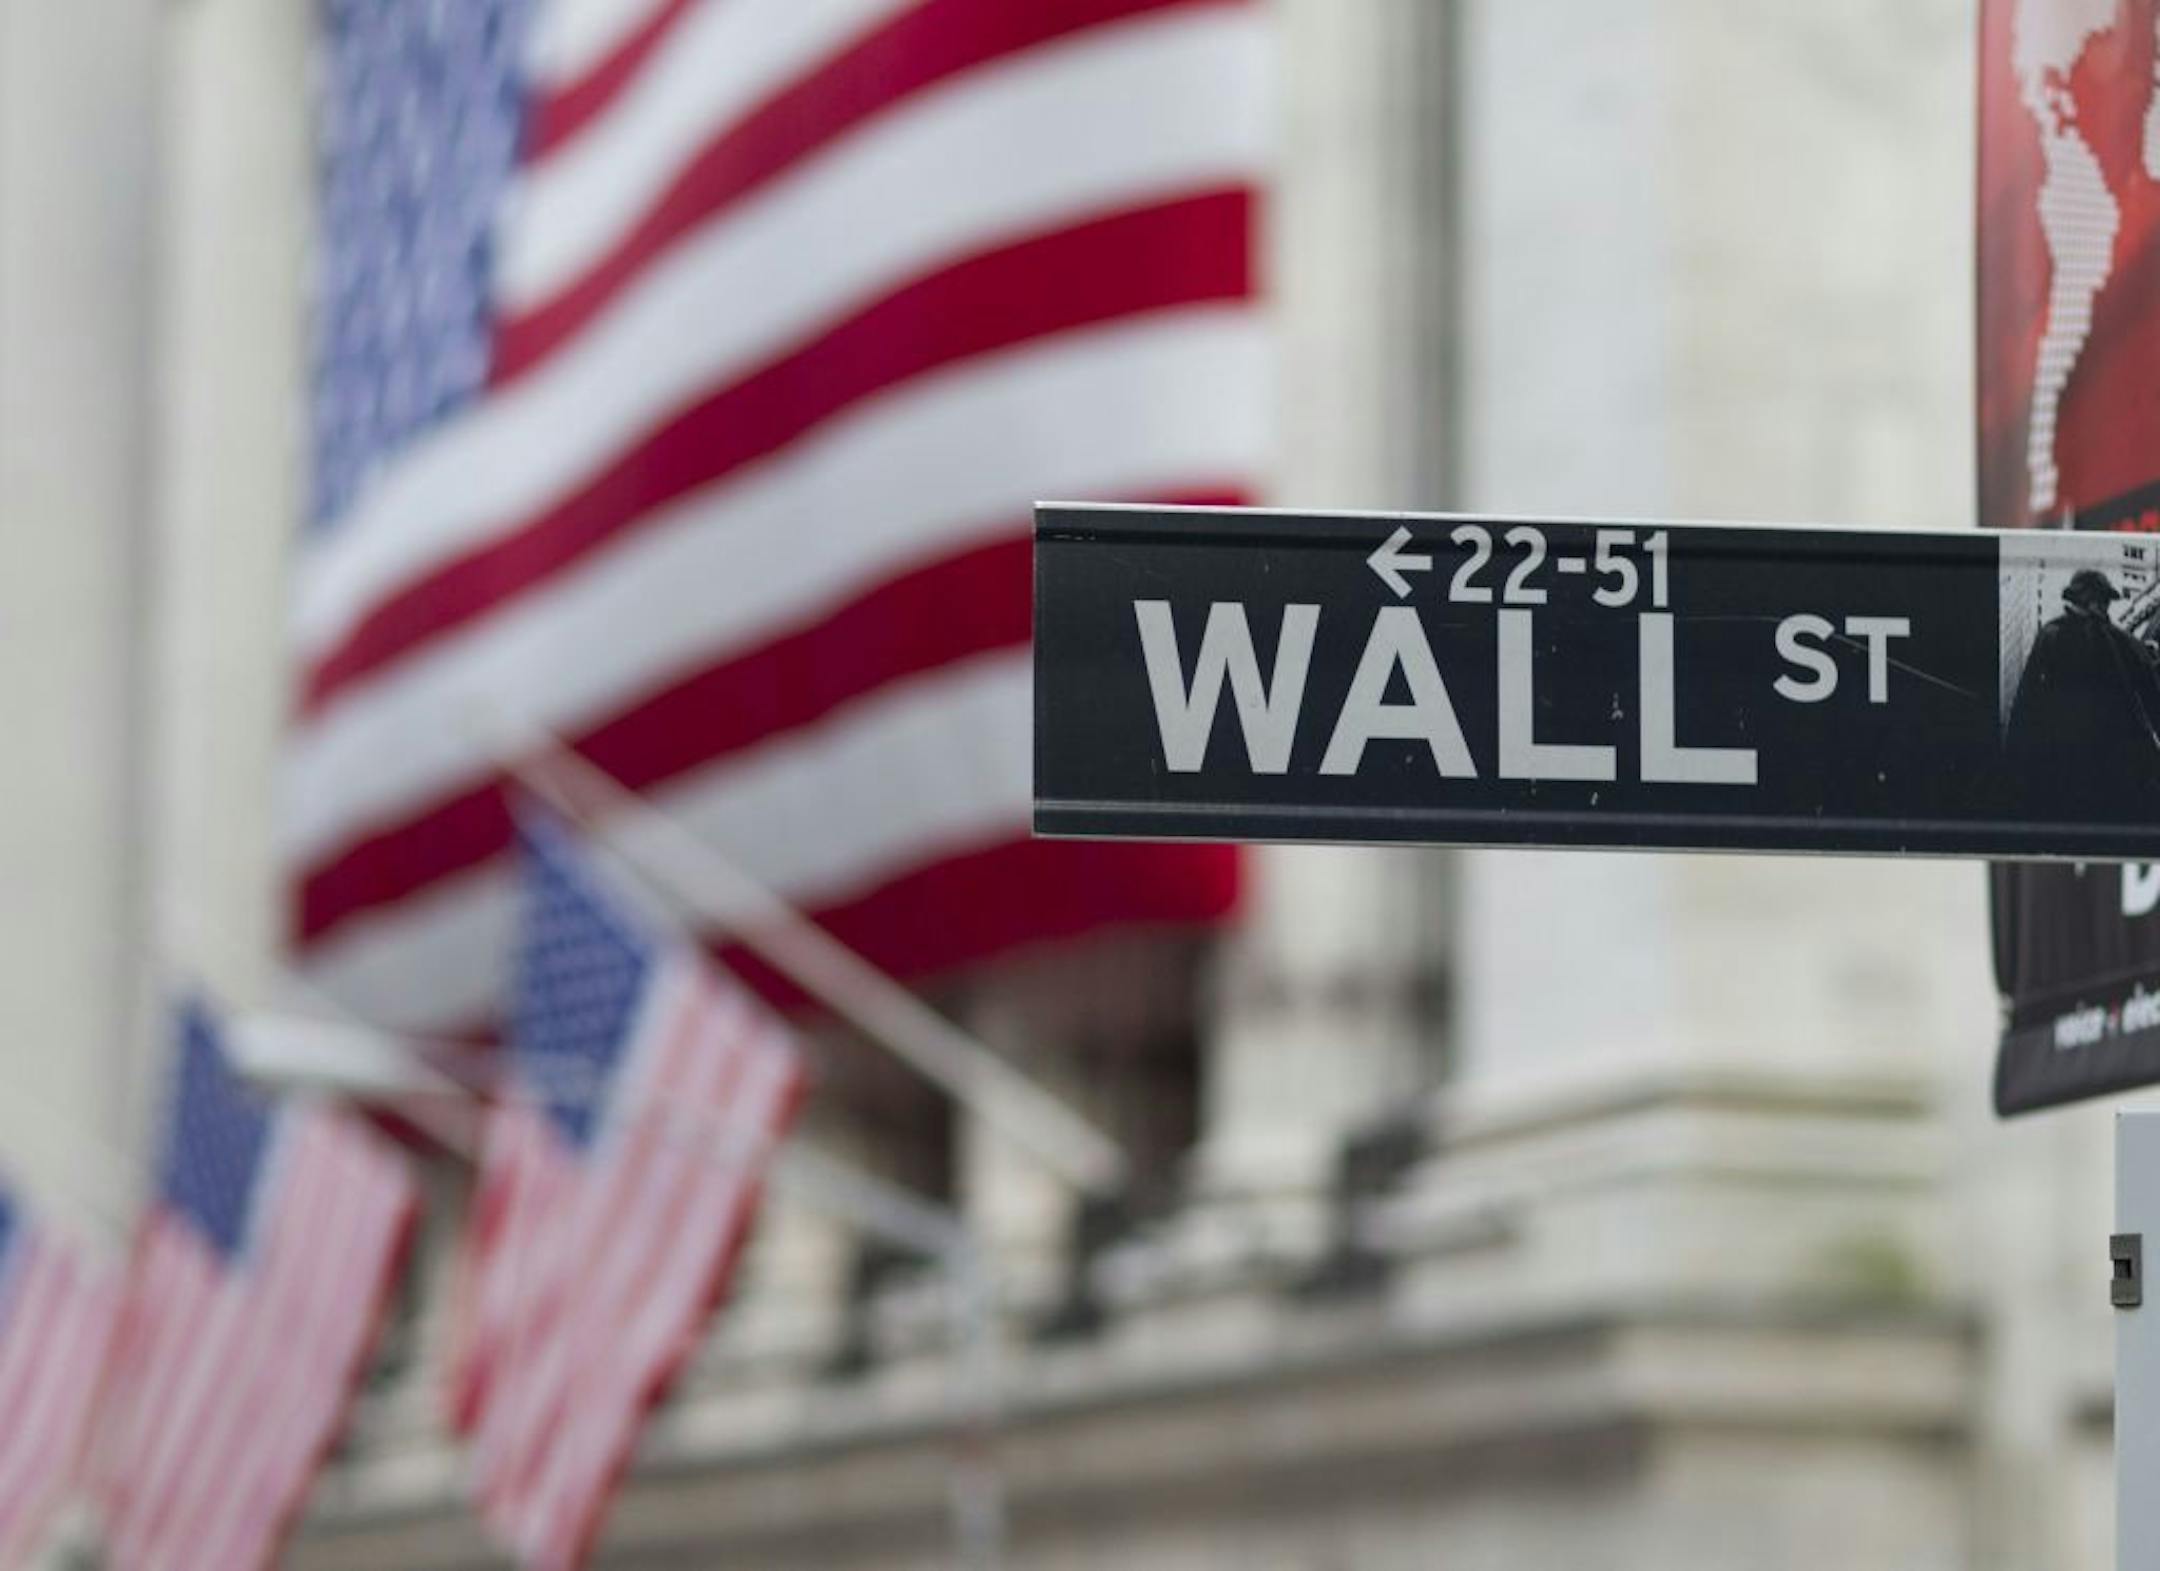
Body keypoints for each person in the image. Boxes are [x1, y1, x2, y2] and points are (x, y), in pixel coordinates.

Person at [2004, 567, 2160, 822]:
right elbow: (2151, 695)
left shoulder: (2050, 636)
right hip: (2113, 765)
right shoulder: (2118, 641)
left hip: (2063, 761)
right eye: (2104, 601)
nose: (2105, 607)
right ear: (2097, 601)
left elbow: (2026, 703)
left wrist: (2016, 759)